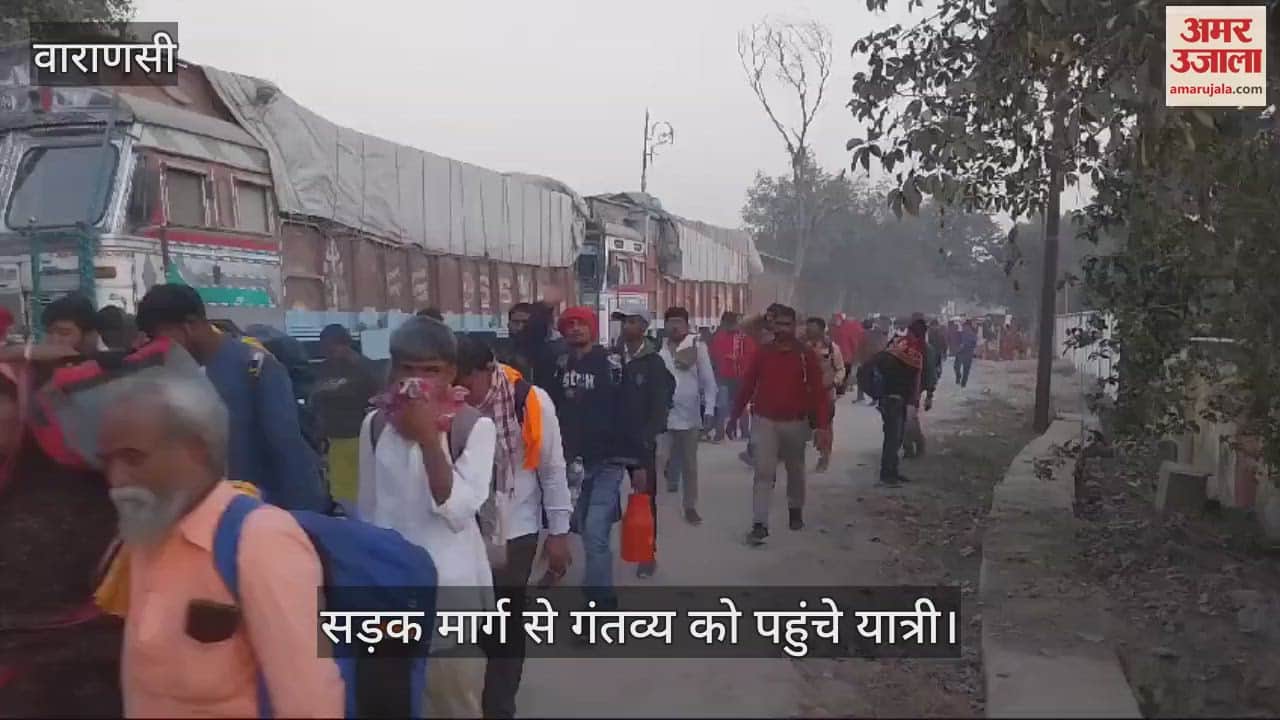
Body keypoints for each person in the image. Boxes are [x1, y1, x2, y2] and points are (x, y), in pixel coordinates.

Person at [99, 374, 343, 717]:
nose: (117, 479)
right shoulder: (145, 534)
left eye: (133, 458)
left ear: (196, 451)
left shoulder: (260, 540)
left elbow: (309, 703)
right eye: (107, 461)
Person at [357, 316, 496, 718]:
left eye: (431, 371)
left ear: (451, 373)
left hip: (451, 600)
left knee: (453, 704)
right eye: (407, 370)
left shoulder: (472, 427)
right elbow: (368, 514)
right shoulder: (376, 424)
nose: (416, 383)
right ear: (392, 369)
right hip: (390, 598)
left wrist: (429, 440)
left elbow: (457, 510)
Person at [454, 336, 571, 719]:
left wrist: (558, 533)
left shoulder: (531, 402)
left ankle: (499, 707)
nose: (462, 395)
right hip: (460, 528)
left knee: (504, 623)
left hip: (515, 529)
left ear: (489, 372)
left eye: (467, 385)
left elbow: (553, 470)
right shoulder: (449, 406)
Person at [134, 284, 327, 512]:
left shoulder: (256, 367)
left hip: (258, 519)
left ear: (189, 326)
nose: (158, 348)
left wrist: (305, 522)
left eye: (160, 337)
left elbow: (288, 453)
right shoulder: (174, 375)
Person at [554, 306, 657, 607]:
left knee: (595, 533)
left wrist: (638, 462)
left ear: (592, 329)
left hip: (608, 462)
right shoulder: (560, 364)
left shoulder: (611, 364)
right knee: (583, 526)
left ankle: (601, 599)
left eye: (581, 324)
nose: (575, 329)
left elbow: (629, 412)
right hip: (574, 463)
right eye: (569, 324)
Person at [729, 305, 831, 546]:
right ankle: (760, 524)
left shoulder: (806, 355)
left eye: (788, 325)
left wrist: (823, 427)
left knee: (795, 470)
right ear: (772, 326)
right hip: (765, 421)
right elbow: (747, 385)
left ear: (795, 327)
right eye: (779, 324)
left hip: (796, 423)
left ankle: (795, 510)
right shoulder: (763, 353)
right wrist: (734, 416)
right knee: (763, 473)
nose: (783, 329)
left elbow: (818, 394)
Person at [610, 309, 674, 579]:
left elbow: (661, 405)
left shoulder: (653, 363)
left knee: (645, 500)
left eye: (633, 321)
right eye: (624, 321)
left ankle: (647, 555)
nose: (627, 325)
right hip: (611, 443)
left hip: (641, 445)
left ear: (645, 326)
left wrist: (648, 437)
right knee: (606, 500)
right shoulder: (611, 358)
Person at [312, 323, 381, 512]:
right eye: (323, 348)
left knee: (362, 490)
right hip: (334, 441)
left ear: (344, 344)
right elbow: (317, 400)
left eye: (329, 347)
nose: (326, 352)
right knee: (341, 492)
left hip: (360, 440)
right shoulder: (325, 368)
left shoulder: (365, 369)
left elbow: (378, 402)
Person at [657, 307, 716, 523]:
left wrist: (709, 410)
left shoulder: (697, 347)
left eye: (679, 322)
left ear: (686, 325)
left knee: (690, 465)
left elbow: (709, 382)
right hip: (663, 415)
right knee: (659, 460)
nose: (675, 326)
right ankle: (659, 505)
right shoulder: (658, 349)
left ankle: (690, 506)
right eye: (671, 322)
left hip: (690, 416)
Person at [869, 317, 936, 485]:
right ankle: (888, 473)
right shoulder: (912, 350)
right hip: (895, 398)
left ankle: (893, 470)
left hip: (900, 397)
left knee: (896, 436)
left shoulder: (898, 346)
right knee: (894, 436)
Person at [805, 317, 846, 473]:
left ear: (822, 330)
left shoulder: (832, 348)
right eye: (808, 328)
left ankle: (824, 455)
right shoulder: (803, 347)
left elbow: (840, 369)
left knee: (825, 426)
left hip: (826, 393)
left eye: (813, 328)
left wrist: (835, 382)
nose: (809, 331)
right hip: (806, 394)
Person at [707, 311, 756, 443]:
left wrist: (737, 359)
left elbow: (752, 357)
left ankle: (743, 432)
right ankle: (720, 433)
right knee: (723, 405)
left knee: (739, 405)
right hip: (724, 376)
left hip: (739, 376)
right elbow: (712, 356)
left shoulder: (744, 338)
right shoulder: (718, 338)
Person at [954, 321, 979, 388]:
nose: (964, 328)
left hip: (968, 353)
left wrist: (966, 345)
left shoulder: (972, 335)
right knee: (956, 367)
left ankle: (963, 384)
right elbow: (956, 341)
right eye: (963, 327)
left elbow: (975, 343)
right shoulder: (960, 333)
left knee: (966, 369)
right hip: (960, 352)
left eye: (965, 326)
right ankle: (958, 377)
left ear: (969, 327)